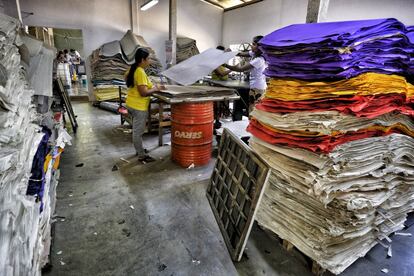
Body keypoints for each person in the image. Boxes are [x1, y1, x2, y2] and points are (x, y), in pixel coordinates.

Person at [125, 48, 165, 163]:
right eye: (148, 59)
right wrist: (155, 88)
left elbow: (128, 79)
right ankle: (141, 155)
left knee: (136, 130)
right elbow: (143, 93)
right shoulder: (140, 72)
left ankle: (139, 149)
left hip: (131, 103)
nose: (149, 61)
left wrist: (151, 85)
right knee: (138, 132)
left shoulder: (132, 69)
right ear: (142, 60)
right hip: (138, 107)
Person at [223, 35, 267, 112]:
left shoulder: (259, 60)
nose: (251, 46)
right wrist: (231, 52)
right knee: (252, 108)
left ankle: (252, 123)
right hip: (256, 87)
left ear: (259, 47)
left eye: (253, 44)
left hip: (257, 89)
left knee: (253, 110)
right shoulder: (254, 54)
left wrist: (225, 65)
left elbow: (240, 69)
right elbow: (240, 53)